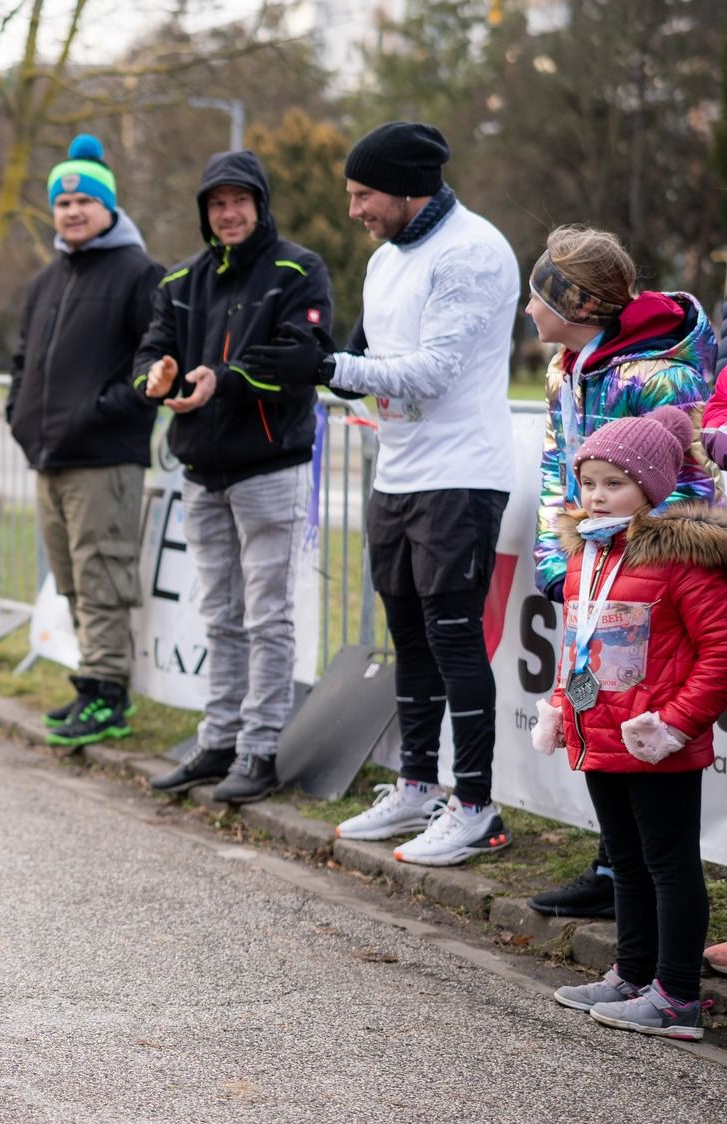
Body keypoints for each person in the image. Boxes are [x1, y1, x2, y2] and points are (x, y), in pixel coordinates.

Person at [275, 123, 521, 866]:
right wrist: (322, 360)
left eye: (363, 195)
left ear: (409, 190)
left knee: (453, 637)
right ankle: (416, 784)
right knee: (408, 636)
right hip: (398, 471)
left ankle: (474, 806)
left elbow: (433, 371)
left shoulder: (472, 251)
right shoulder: (385, 258)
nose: (353, 210)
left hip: (461, 473)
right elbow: (367, 358)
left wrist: (330, 368)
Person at [520, 226, 719, 919]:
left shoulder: (661, 374)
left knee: (642, 713)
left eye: (538, 294)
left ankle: (646, 898)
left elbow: (691, 481)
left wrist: (643, 568)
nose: (528, 309)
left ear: (576, 303)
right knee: (601, 707)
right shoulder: (566, 367)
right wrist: (561, 559)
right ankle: (615, 867)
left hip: (650, 582)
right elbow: (559, 468)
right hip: (596, 571)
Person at [137, 150, 334, 804]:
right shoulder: (179, 280)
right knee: (219, 614)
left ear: (260, 203)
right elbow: (152, 352)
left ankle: (260, 748)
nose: (228, 214)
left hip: (270, 469)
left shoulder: (298, 269)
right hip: (201, 472)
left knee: (267, 616)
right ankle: (218, 739)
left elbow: (304, 356)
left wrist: (222, 379)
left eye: (238, 201)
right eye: (216, 204)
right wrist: (155, 380)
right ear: (204, 212)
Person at [529, 408, 727, 1041]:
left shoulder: (682, 559)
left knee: (669, 865)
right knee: (627, 862)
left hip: (657, 743)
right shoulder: (588, 553)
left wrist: (675, 726)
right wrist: (561, 703)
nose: (596, 495)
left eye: (614, 483)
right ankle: (633, 973)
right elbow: (576, 644)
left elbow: (720, 651)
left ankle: (677, 996)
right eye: (588, 482)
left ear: (651, 487)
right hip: (600, 735)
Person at [6, 134, 164, 746]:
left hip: (104, 458)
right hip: (50, 457)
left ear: (109, 206)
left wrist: (99, 413)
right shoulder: (47, 280)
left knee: (102, 576)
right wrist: (20, 417)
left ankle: (109, 695)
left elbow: (155, 367)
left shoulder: (139, 274)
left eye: (84, 201)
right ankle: (91, 680)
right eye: (62, 202)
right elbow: (23, 360)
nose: (72, 211)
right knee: (72, 578)